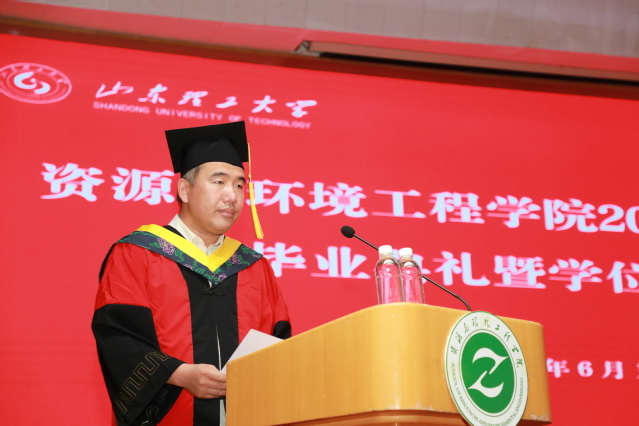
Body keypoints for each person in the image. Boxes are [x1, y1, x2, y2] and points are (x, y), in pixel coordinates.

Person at [92, 121, 291, 426]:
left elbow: (277, 341)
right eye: (219, 182)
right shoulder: (137, 253)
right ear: (184, 190)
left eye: (240, 185)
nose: (232, 196)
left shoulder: (254, 266)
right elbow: (118, 337)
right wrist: (179, 374)